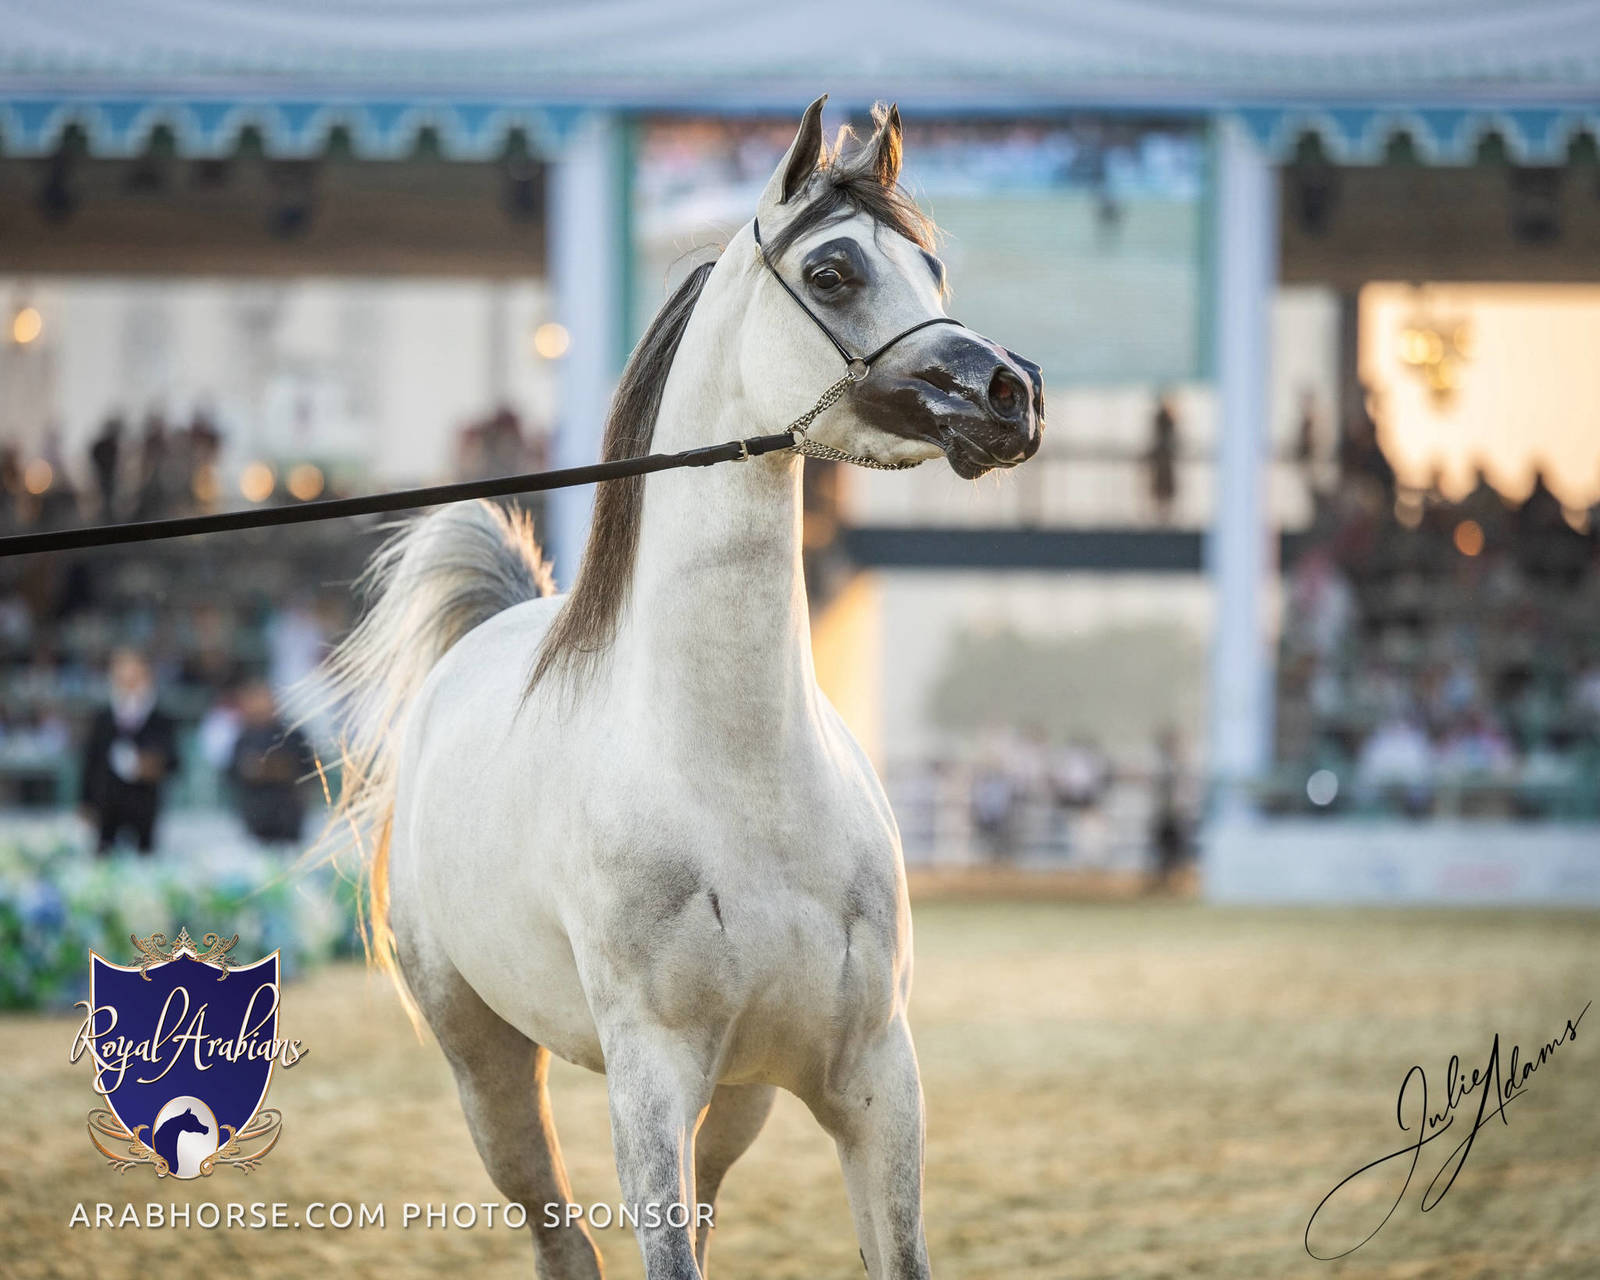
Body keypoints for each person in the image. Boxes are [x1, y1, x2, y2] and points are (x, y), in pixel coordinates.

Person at [80, 649, 178, 854]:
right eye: (123, 676)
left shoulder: (161, 719)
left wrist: (153, 765)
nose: (129, 682)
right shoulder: (103, 718)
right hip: (107, 805)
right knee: (103, 859)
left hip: (144, 804)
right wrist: (85, 801)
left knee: (145, 862)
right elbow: (90, 762)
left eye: (135, 675)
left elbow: (174, 761)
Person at [226, 679, 316, 844]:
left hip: (289, 816)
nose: (259, 705)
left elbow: (310, 770)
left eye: (263, 699)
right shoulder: (243, 738)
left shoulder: (293, 735)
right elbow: (233, 774)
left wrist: (280, 769)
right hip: (255, 817)